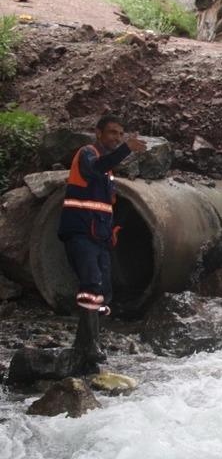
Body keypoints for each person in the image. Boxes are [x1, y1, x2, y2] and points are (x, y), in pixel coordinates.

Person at [58, 114, 146, 369]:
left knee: (103, 290)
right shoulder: (87, 155)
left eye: (120, 134)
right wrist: (128, 149)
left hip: (99, 237)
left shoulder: (108, 170)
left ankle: (87, 344)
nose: (116, 138)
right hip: (81, 233)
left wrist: (114, 230)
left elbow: (107, 205)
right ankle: (87, 346)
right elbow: (95, 169)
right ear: (98, 133)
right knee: (91, 285)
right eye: (112, 133)